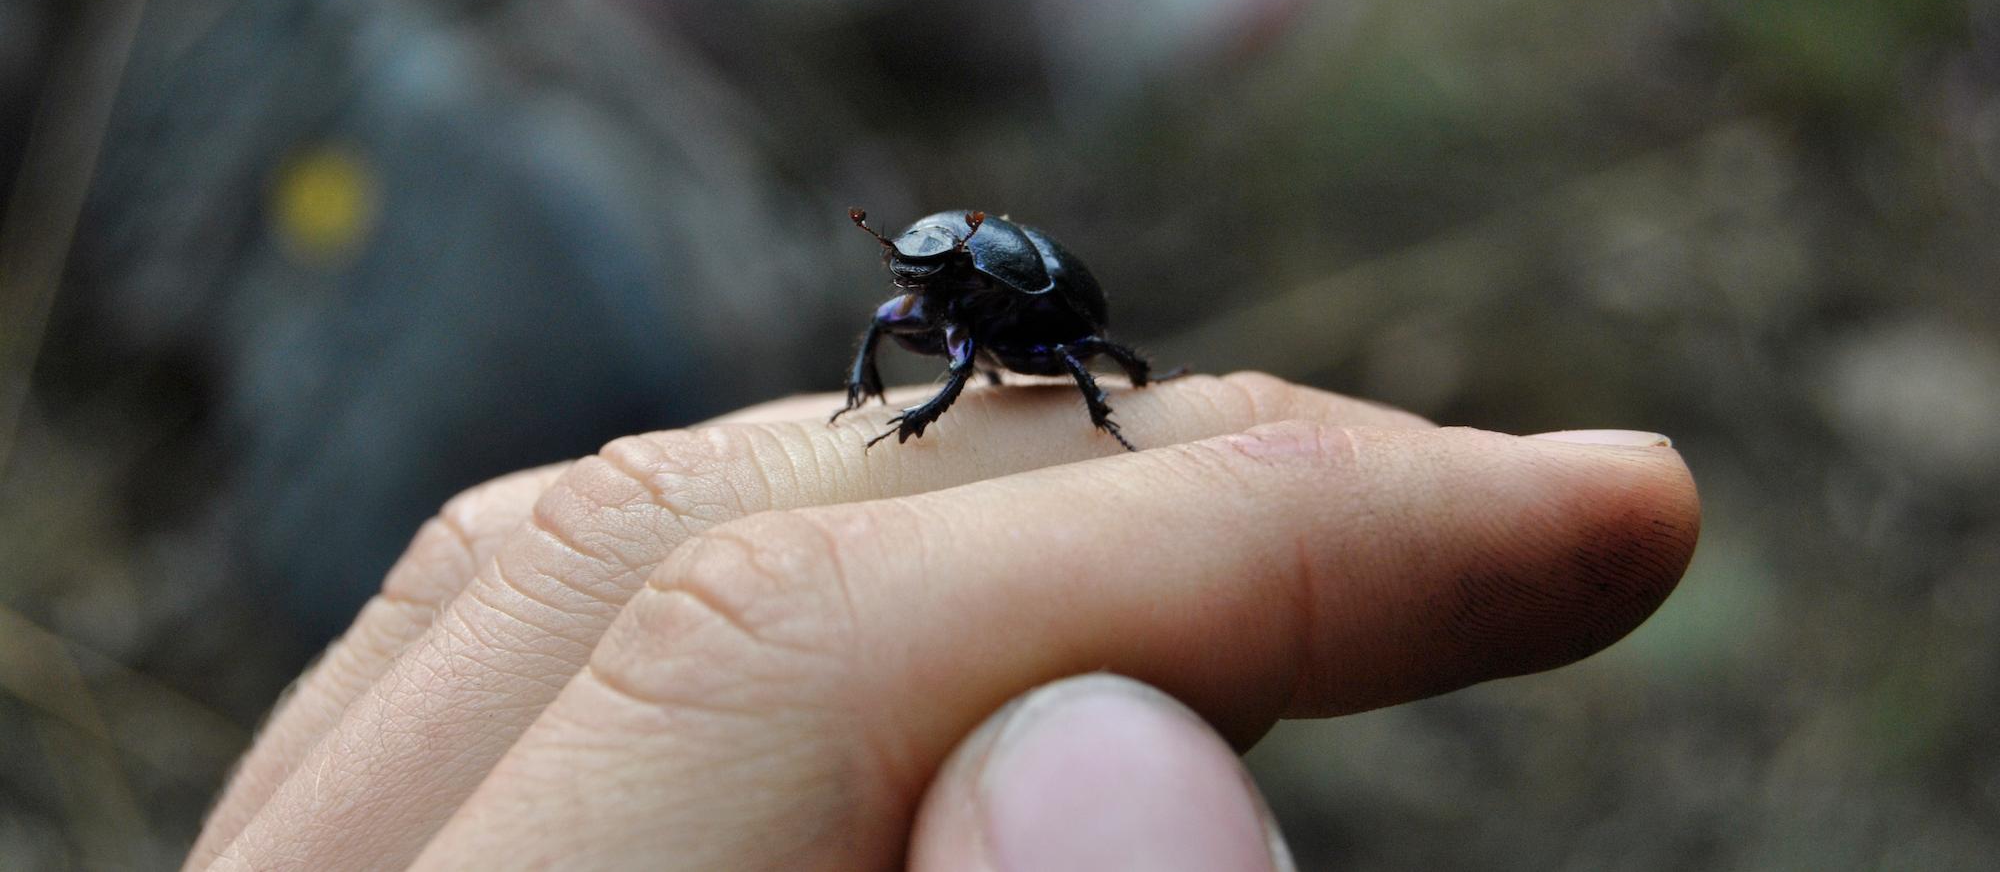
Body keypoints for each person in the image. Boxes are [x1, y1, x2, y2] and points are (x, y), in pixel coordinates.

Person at [183, 372, 1699, 870]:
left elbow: (1028, 341)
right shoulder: (940, 301)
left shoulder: (1001, 308)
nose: (913, 292)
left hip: (1060, 339)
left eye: (926, 278)